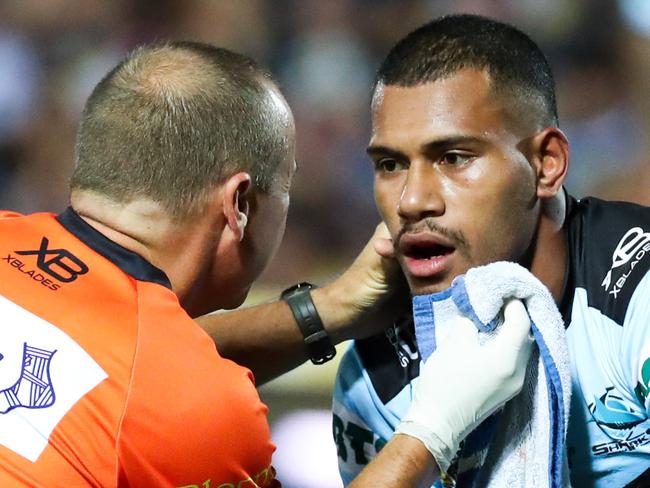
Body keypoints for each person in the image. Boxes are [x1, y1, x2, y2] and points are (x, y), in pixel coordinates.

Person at [0, 40, 533, 487]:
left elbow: (122, 366)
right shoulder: (197, 411)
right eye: (287, 184)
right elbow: (158, 387)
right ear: (240, 205)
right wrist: (435, 427)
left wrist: (328, 309)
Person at [333, 13, 650, 488]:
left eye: (454, 157)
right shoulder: (375, 381)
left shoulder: (638, 290)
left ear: (546, 165)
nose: (413, 201)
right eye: (391, 163)